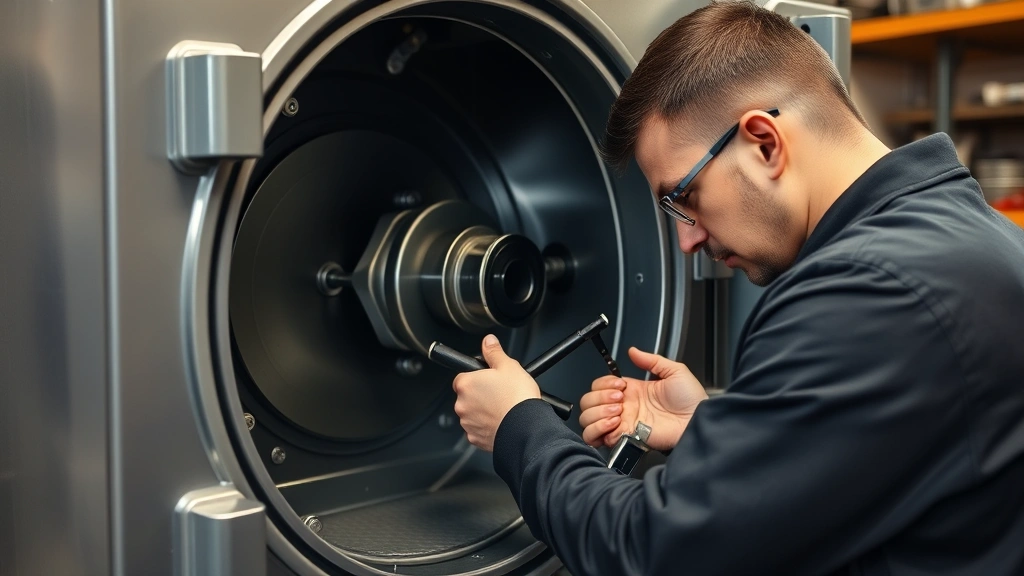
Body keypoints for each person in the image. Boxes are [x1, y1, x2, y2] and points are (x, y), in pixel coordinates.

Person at [450, 1, 1024, 574]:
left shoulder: (866, 293)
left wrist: (519, 426)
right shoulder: (965, 236)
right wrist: (723, 430)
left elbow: (655, 553)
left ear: (764, 142)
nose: (687, 242)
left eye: (685, 199)